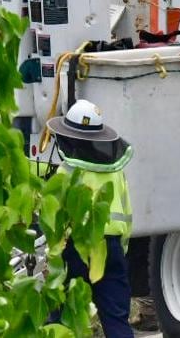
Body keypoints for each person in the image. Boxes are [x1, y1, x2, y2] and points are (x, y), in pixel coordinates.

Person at [47, 99, 134, 338]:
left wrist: (53, 256)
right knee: (116, 319)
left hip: (74, 247)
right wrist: (119, 251)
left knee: (62, 316)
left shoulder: (66, 173)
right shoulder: (116, 173)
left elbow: (54, 223)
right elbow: (126, 217)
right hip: (111, 248)